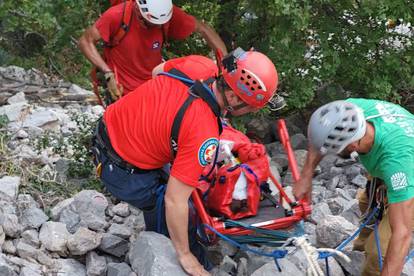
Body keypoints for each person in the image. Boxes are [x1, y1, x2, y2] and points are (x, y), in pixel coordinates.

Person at [91, 48, 279, 275]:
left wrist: (160, 121)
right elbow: (174, 200)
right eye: (249, 106)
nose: (249, 111)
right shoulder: (203, 132)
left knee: (182, 179)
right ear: (232, 97)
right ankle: (177, 255)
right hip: (121, 170)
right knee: (181, 209)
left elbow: (157, 72)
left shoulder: (201, 65)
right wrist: (185, 255)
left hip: (108, 127)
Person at [293, 98, 414, 276]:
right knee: (366, 206)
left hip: (407, 174)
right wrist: (306, 176)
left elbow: (402, 233)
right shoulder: (348, 112)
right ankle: (359, 253)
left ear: (352, 145)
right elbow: (320, 137)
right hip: (388, 170)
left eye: (332, 149)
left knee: (378, 254)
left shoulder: (397, 163)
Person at [78, 0, 227, 102]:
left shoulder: (165, 15)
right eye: (148, 23)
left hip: (154, 88)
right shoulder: (117, 15)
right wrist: (108, 73)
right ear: (138, 9)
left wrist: (226, 66)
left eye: (157, 24)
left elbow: (203, 29)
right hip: (123, 92)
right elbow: (85, 41)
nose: (153, 27)